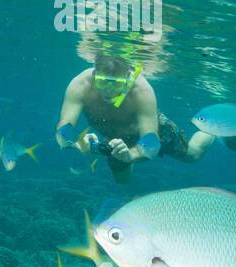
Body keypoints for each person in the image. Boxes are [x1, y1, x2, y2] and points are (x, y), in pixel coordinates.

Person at [54, 53, 215, 184]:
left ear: (129, 79)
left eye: (117, 84)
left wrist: (130, 156)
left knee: (193, 155)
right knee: (122, 181)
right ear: (95, 75)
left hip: (148, 130)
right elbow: (64, 127)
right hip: (114, 140)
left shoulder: (142, 90)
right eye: (103, 83)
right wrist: (76, 144)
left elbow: (151, 138)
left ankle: (214, 128)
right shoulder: (80, 85)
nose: (109, 91)